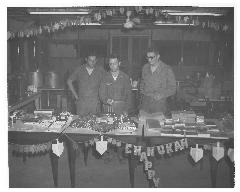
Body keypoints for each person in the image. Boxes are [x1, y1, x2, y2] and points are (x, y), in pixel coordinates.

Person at [140, 47, 176, 114]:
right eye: (147, 57)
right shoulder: (145, 68)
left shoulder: (167, 69)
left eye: (152, 57)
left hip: (160, 105)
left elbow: (173, 88)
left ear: (158, 56)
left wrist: (161, 95)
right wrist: (144, 93)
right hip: (145, 105)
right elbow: (142, 83)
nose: (149, 60)